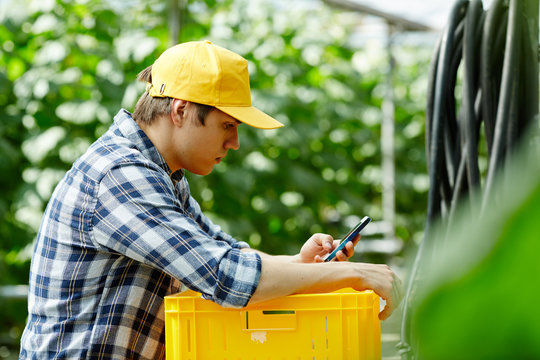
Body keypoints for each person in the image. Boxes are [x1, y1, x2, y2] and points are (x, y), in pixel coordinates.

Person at [19, 40, 402, 359]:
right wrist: (352, 273)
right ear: (181, 110)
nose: (234, 143)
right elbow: (224, 278)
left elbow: (224, 254)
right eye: (228, 125)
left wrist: (301, 264)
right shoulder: (120, 176)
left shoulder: (163, 176)